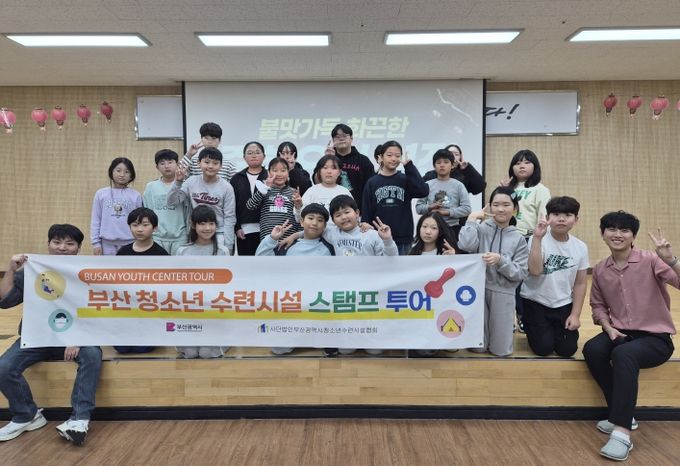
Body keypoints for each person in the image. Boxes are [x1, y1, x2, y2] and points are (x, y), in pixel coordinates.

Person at [583, 211, 679, 462]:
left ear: (633, 236)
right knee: (593, 349)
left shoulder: (651, 260)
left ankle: (622, 432)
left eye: (624, 230)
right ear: (603, 234)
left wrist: (671, 260)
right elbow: (597, 306)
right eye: (612, 229)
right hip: (620, 332)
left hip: (655, 338)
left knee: (623, 354)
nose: (618, 234)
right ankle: (623, 413)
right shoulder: (601, 269)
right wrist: (607, 327)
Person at [0, 224, 102, 446]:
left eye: (69, 243)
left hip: (74, 338)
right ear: (48, 244)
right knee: (4, 367)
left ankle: (79, 419)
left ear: (78, 248)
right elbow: (5, 301)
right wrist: (11, 269)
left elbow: (95, 310)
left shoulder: (87, 273)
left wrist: (77, 337)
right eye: (57, 242)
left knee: (93, 355)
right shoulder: (34, 271)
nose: (62, 248)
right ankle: (26, 415)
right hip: (36, 338)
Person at [256, 204, 335, 356]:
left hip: (319, 305)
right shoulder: (288, 246)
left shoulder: (330, 247)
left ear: (325, 226)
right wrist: (272, 239)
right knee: (278, 349)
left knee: (331, 346)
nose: (314, 223)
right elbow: (262, 261)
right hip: (293, 304)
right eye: (310, 218)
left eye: (320, 220)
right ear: (302, 221)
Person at [458, 186, 529, 356]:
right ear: (489, 207)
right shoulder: (480, 228)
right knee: (477, 347)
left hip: (504, 292)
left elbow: (520, 273)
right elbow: (465, 245)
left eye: (506, 205)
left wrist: (501, 260)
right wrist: (471, 219)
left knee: (501, 350)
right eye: (496, 205)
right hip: (477, 290)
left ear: (515, 208)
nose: (501, 209)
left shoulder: (519, 239)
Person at [520, 196, 588, 357]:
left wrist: (575, 315)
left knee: (567, 350)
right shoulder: (537, 239)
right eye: (556, 214)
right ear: (547, 217)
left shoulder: (580, 247)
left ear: (576, 219)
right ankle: (528, 323)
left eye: (568, 215)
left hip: (563, 303)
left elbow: (580, 283)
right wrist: (537, 238)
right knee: (543, 348)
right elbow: (535, 271)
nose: (561, 219)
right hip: (535, 301)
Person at [502, 149, 551, 332]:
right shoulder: (508, 188)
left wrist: (539, 239)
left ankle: (523, 317)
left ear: (535, 167)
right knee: (507, 279)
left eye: (526, 162)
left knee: (525, 281)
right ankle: (508, 318)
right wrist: (504, 190)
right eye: (517, 163)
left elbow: (543, 216)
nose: (521, 166)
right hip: (507, 237)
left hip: (528, 238)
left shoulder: (540, 189)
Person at [175, 206, 227, 359]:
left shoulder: (222, 251)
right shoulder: (182, 251)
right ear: (193, 225)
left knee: (206, 353)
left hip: (213, 309)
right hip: (190, 310)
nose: (207, 228)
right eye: (202, 223)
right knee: (190, 353)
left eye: (211, 223)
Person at [114, 208, 168, 354]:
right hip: (127, 309)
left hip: (151, 310)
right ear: (129, 227)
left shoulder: (161, 254)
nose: (139, 229)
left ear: (154, 228)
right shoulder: (123, 253)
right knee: (122, 349)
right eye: (135, 225)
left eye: (145, 225)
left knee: (141, 348)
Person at [361, 141, 429, 255]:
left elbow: (423, 191)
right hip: (379, 236)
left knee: (403, 266)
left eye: (397, 156)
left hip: (403, 238)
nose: (393, 159)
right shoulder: (372, 182)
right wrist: (365, 224)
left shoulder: (405, 179)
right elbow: (366, 208)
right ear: (381, 157)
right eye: (389, 155)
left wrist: (409, 166)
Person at [168, 147, 236, 254]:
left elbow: (230, 217)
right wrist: (178, 182)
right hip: (196, 231)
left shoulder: (227, 187)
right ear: (199, 163)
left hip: (219, 233)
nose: (210, 166)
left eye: (215, 163)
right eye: (207, 162)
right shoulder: (191, 182)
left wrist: (228, 245)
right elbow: (172, 201)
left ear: (221, 166)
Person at [416, 148, 471, 248]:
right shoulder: (427, 185)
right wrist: (431, 207)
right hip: (431, 229)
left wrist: (446, 212)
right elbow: (418, 208)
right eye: (438, 162)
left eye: (446, 162)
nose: (442, 165)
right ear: (434, 166)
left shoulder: (458, 185)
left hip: (452, 229)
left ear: (452, 165)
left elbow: (467, 209)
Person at [90, 157, 143, 255]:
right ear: (111, 172)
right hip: (106, 244)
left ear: (131, 175)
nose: (122, 175)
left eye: (127, 172)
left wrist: (140, 242)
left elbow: (140, 221)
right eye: (118, 171)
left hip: (130, 242)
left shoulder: (136, 195)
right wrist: (96, 243)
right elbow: (96, 219)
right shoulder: (101, 194)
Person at [142, 149, 188, 255]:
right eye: (162, 163)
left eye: (170, 162)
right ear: (157, 167)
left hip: (180, 237)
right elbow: (147, 211)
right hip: (157, 237)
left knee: (179, 265)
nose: (167, 166)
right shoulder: (151, 187)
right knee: (158, 265)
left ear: (177, 164)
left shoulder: (185, 185)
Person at [246, 157, 301, 241]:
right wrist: (265, 187)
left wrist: (298, 206)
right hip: (268, 239)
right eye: (275, 170)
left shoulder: (294, 192)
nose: (279, 174)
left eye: (283, 170)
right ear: (268, 172)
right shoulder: (264, 189)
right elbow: (250, 206)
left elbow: (299, 220)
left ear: (288, 172)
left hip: (288, 240)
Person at [324, 123, 375, 209]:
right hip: (331, 207)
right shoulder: (327, 159)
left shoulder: (363, 160)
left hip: (357, 209)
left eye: (344, 136)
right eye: (337, 137)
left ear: (351, 138)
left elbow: (371, 186)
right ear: (333, 140)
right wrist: (328, 159)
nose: (341, 139)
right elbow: (317, 180)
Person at [231, 141, 268, 255]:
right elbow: (232, 205)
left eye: (257, 152)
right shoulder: (236, 178)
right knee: (246, 262)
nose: (254, 155)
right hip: (244, 230)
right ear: (244, 157)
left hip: (267, 228)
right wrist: (237, 227)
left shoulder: (270, 176)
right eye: (250, 153)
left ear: (264, 156)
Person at [295, 155, 351, 223]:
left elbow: (352, 216)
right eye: (325, 168)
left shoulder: (344, 192)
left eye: (333, 168)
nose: (329, 171)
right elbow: (299, 219)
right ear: (319, 171)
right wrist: (298, 207)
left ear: (339, 172)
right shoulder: (312, 191)